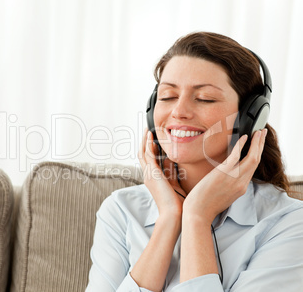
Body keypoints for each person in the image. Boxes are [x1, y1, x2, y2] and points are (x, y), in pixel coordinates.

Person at [85, 32, 303, 291]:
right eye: (167, 96)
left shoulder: (289, 224)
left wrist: (197, 217)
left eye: (204, 99)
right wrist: (169, 217)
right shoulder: (121, 210)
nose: (179, 112)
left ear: (250, 117)